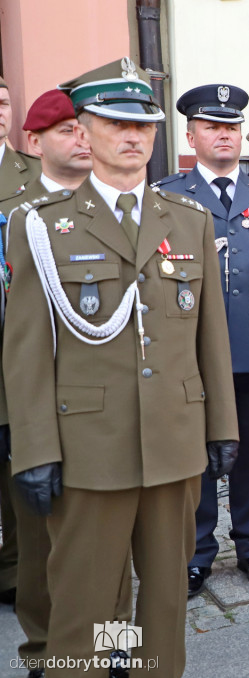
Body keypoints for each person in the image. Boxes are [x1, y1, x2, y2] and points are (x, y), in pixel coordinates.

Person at [3, 57, 237, 678]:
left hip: (173, 443)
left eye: (145, 124)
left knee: (161, 605)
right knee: (81, 605)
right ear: (83, 131)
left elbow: (209, 339)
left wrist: (223, 429)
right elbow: (25, 350)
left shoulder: (189, 221)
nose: (133, 136)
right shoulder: (43, 228)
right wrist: (32, 449)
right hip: (88, 448)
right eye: (114, 122)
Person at [0, 89, 132, 678]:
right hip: (28, 399)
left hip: (107, 405)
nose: (82, 140)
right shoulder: (16, 207)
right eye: (66, 131)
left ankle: (118, 646)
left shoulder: (118, 204)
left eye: (88, 130)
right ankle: (46, 650)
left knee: (113, 541)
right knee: (38, 538)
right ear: (35, 143)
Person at [155, 84, 249, 598]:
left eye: (232, 127)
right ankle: (196, 554)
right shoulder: (168, 196)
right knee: (197, 457)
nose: (224, 135)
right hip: (191, 355)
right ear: (190, 135)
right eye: (212, 126)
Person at [0, 75, 42, 611]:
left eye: (5, 101)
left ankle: (16, 573)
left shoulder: (34, 180)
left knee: (19, 474)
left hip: (17, 350)